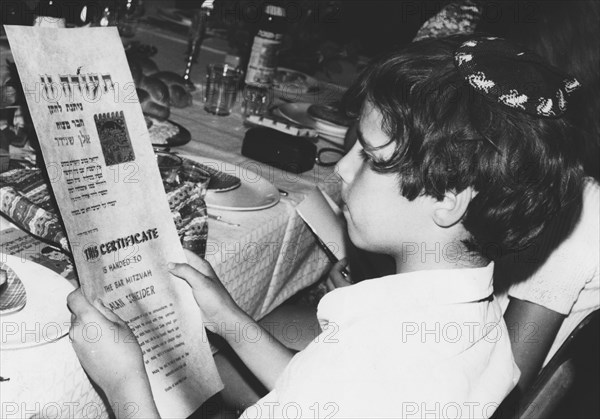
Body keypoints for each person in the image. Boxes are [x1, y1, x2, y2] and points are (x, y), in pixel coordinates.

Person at [67, 36, 583, 418]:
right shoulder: (469, 316)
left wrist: (125, 382)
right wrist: (225, 315)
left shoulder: (383, 369)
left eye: (373, 157)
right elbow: (312, 387)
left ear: (448, 200)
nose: (341, 168)